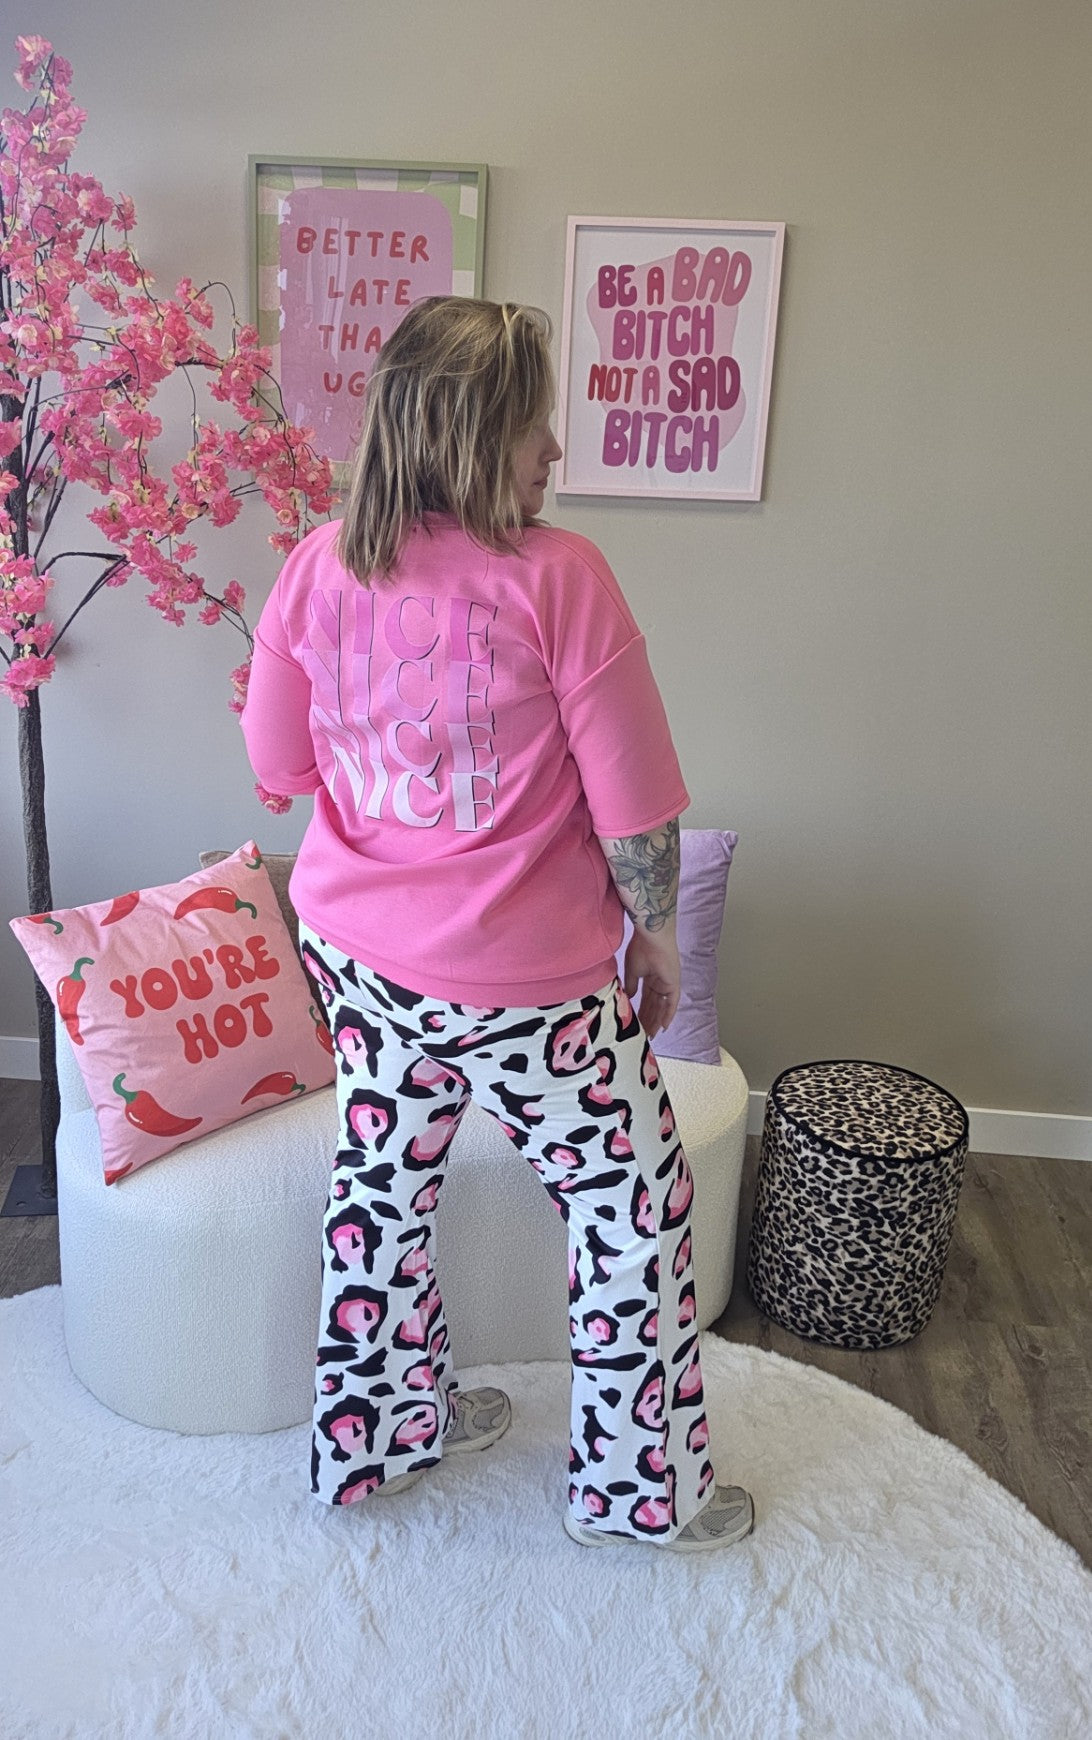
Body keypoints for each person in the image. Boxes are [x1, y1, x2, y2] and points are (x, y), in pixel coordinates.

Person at [241, 296, 754, 1552]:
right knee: (630, 1206)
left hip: (360, 963)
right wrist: (655, 936)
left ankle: (376, 1442)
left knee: (380, 1190)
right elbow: (637, 811)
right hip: (529, 986)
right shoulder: (561, 576)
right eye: (535, 425)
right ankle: (638, 1493)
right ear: (471, 434)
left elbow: (279, 768)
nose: (553, 450)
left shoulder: (318, 564)